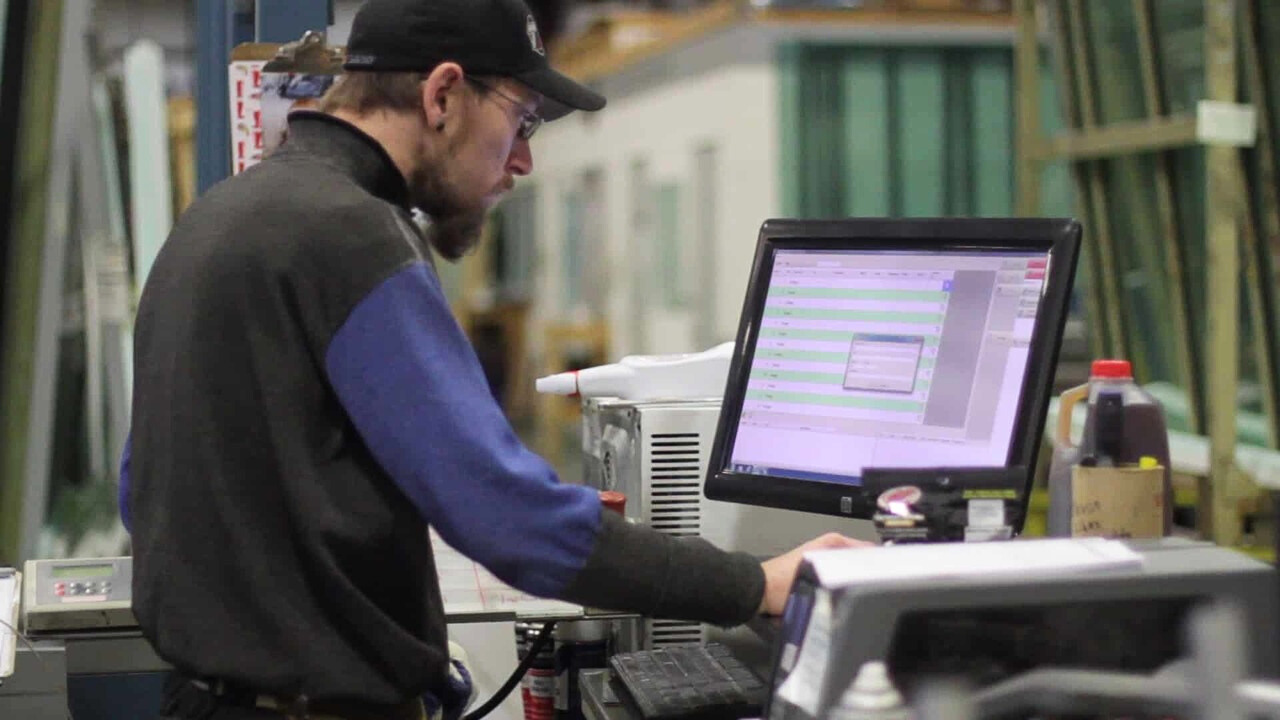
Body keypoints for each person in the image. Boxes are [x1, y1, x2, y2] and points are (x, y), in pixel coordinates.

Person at [121, 0, 867, 718]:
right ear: (444, 93)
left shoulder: (221, 216)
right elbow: (511, 518)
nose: (525, 159)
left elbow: (141, 491)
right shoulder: (351, 237)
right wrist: (753, 584)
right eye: (521, 117)